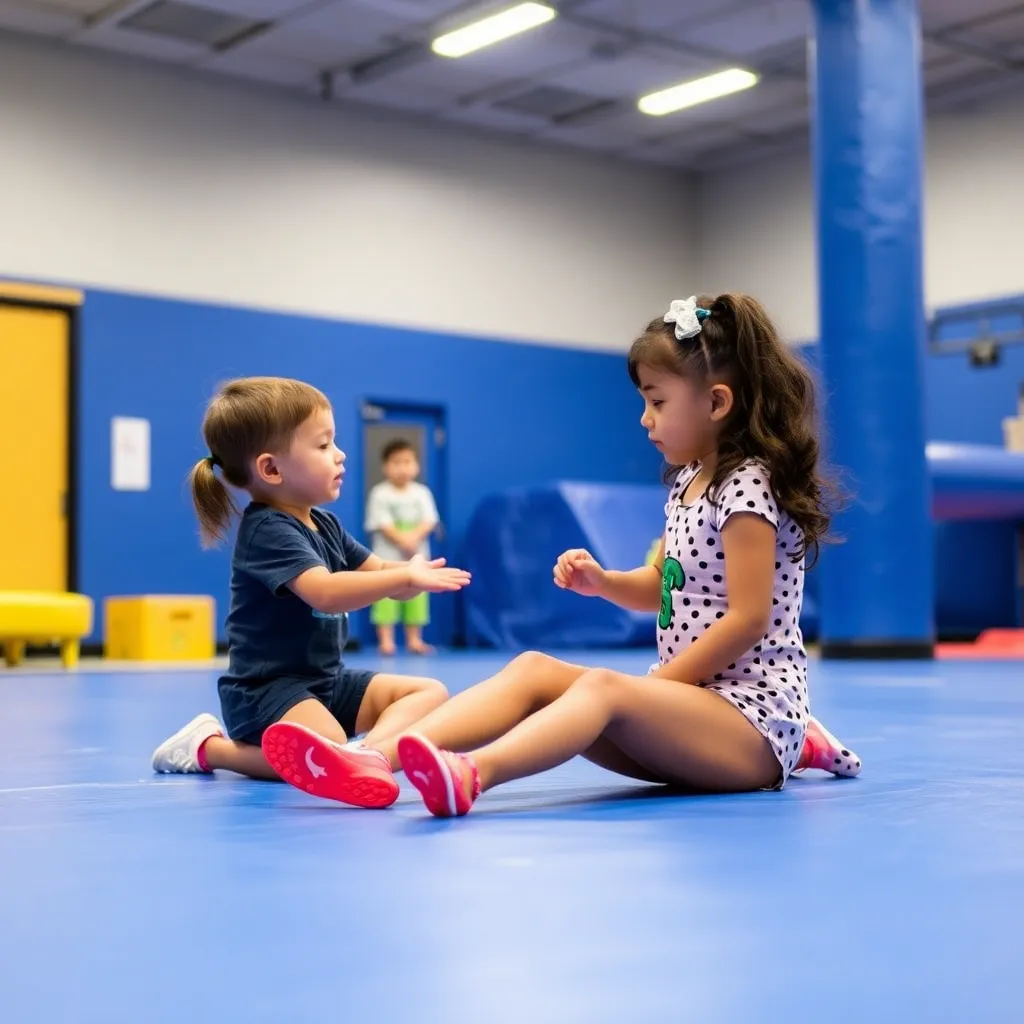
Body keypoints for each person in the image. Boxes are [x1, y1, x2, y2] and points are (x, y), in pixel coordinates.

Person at [292, 293, 859, 816]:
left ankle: (470, 775)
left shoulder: (747, 488)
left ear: (716, 403)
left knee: (603, 687)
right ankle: (373, 757)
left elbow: (747, 618)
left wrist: (656, 690)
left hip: (748, 724)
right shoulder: (686, 484)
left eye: (657, 401)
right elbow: (664, 585)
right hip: (689, 714)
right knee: (536, 669)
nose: (645, 418)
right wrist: (606, 582)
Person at [150, 376, 470, 808]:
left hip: (324, 682)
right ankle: (210, 748)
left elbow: (375, 570)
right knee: (327, 744)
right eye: (323, 446)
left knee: (429, 692)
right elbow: (325, 592)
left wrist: (409, 571)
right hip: (265, 691)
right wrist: (402, 580)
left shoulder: (326, 524)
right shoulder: (267, 529)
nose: (340, 455)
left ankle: (367, 756)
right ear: (271, 469)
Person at [365, 439, 440, 655]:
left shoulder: (422, 493)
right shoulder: (380, 493)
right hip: (387, 555)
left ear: (416, 466)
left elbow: (429, 520)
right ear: (385, 467)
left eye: (407, 462)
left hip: (417, 556)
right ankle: (386, 641)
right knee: (385, 596)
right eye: (396, 462)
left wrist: (414, 538)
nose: (402, 468)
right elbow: (382, 523)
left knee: (417, 597)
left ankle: (414, 640)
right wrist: (403, 540)